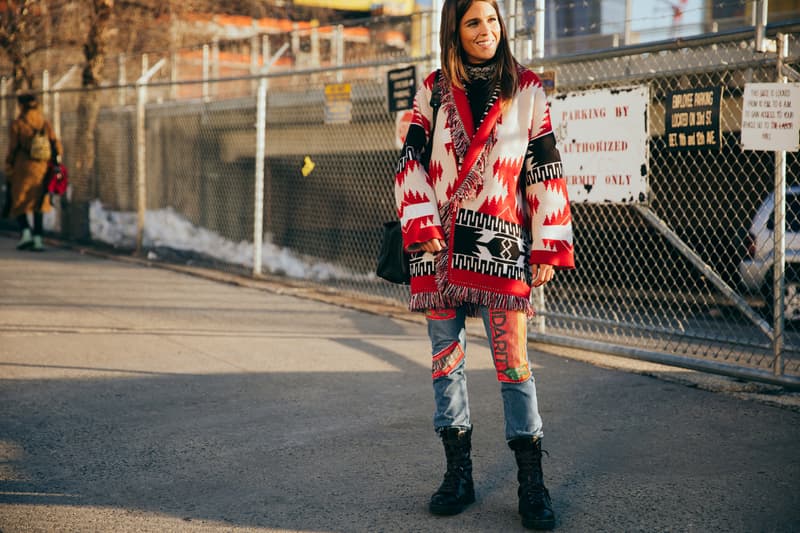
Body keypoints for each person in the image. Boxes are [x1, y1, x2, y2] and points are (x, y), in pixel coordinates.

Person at [394, 0, 574, 529]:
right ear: (455, 28)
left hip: (500, 244)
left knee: (514, 367)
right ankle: (459, 475)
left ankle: (531, 484)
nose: (485, 30)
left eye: (492, 20)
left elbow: (545, 164)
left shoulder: (527, 89)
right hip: (438, 249)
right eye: (473, 21)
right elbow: (409, 158)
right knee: (445, 364)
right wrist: (421, 224)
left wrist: (547, 244)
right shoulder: (431, 88)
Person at [4, 92, 62, 251]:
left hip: (22, 168)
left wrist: (9, 164)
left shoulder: (18, 124)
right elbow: (55, 143)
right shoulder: (44, 122)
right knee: (39, 203)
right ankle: (38, 238)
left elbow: (13, 147)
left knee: (20, 201)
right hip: (43, 168)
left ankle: (26, 233)